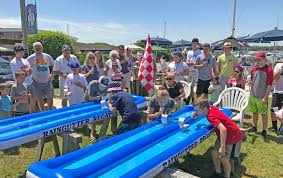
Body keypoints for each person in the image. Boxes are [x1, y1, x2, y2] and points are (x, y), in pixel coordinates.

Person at [193, 97, 243, 178]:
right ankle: (218, 172)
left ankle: (227, 176)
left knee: (224, 159)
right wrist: (196, 113)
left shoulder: (210, 116)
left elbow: (223, 129)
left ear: (205, 108)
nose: (196, 112)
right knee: (214, 153)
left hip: (231, 136)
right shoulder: (211, 108)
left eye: (197, 110)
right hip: (226, 134)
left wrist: (222, 147)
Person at [248, 51, 273, 139]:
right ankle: (254, 127)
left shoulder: (269, 70)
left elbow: (269, 85)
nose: (257, 61)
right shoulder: (253, 69)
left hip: (262, 96)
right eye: (256, 59)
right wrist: (250, 83)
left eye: (259, 59)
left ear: (265, 60)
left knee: (263, 114)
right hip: (253, 95)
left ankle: (264, 130)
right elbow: (251, 81)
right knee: (254, 112)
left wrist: (265, 97)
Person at [27, 42, 55, 112]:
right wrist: (30, 75)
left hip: (48, 81)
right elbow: (25, 67)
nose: (38, 50)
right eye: (36, 48)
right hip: (36, 82)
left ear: (42, 48)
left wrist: (52, 74)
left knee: (50, 97)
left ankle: (50, 112)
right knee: (40, 99)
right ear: (33, 49)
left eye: (39, 48)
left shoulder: (47, 56)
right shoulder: (30, 58)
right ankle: (42, 112)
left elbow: (54, 65)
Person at [10, 45, 34, 113]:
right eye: (20, 52)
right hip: (21, 85)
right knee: (21, 100)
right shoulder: (13, 62)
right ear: (16, 52)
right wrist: (26, 73)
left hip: (30, 82)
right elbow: (17, 75)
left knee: (31, 99)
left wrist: (28, 72)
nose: (22, 54)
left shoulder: (25, 60)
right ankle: (19, 114)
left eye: (23, 52)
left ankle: (30, 114)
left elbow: (30, 70)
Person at [86, 76, 110, 143]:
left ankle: (100, 133)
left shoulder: (106, 86)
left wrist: (103, 98)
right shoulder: (92, 84)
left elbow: (105, 95)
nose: (103, 87)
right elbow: (90, 98)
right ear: (98, 82)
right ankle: (92, 134)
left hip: (98, 100)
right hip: (89, 101)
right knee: (92, 115)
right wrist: (100, 96)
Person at [186, 38, 202, 103]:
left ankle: (191, 99)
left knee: (193, 87)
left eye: (195, 43)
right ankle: (191, 98)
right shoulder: (189, 52)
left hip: (196, 71)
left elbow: (199, 63)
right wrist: (193, 63)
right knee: (189, 86)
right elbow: (187, 62)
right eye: (193, 43)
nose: (194, 45)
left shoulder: (200, 52)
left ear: (197, 44)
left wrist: (191, 63)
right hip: (189, 71)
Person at [270, 60, 283, 132]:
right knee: (274, 110)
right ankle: (274, 127)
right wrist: (281, 69)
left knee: (282, 111)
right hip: (277, 92)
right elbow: (274, 77)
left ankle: (281, 127)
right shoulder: (278, 65)